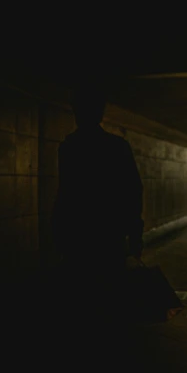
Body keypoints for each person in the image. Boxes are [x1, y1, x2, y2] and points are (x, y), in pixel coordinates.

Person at [52, 81, 145, 285]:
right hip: (109, 234)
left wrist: (58, 236)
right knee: (109, 291)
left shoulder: (69, 148)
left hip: (77, 235)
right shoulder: (117, 147)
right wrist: (135, 238)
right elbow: (132, 191)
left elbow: (66, 194)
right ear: (100, 113)